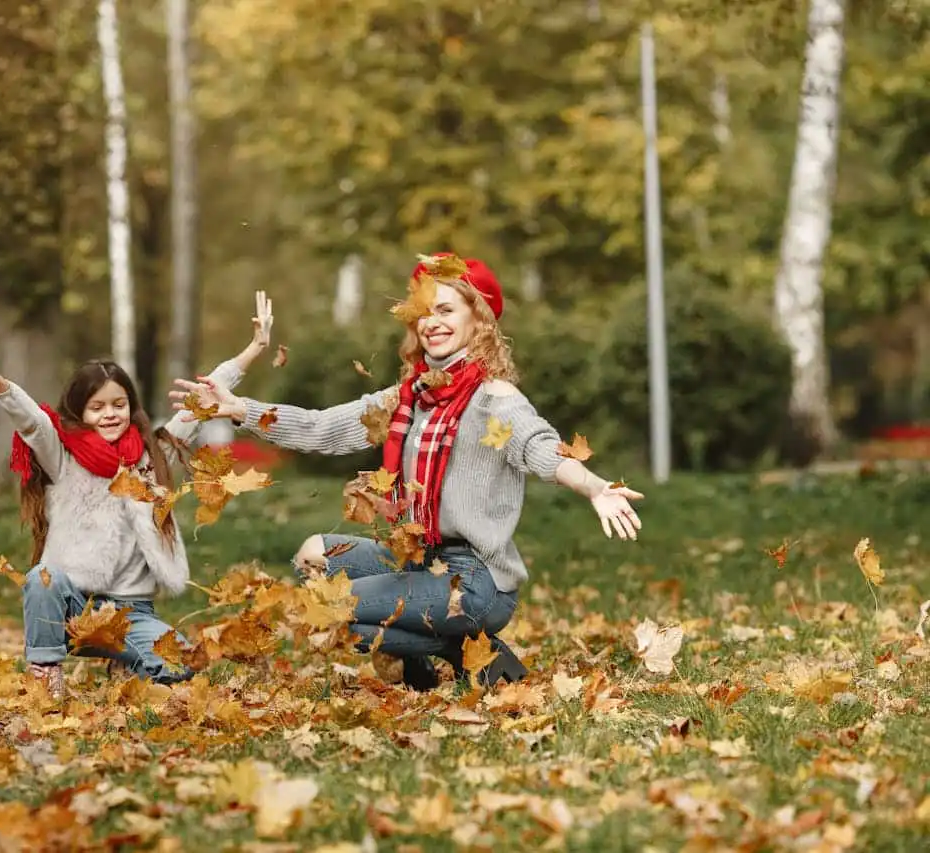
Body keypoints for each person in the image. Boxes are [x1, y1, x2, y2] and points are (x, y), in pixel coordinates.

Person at [170, 255, 643, 690]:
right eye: (423, 312)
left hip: (475, 582)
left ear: (478, 319)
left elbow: (541, 449)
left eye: (446, 310)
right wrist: (237, 409)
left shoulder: (494, 399)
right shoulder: (409, 397)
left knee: (333, 610)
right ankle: (448, 654)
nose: (431, 323)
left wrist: (595, 487)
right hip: (420, 558)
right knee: (314, 557)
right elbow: (324, 427)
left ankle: (469, 646)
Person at [0, 293, 275, 698]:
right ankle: (45, 676)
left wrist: (253, 350)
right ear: (81, 413)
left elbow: (202, 403)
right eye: (97, 407)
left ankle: (126, 661)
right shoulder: (62, 457)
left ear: (130, 406)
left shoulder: (154, 455)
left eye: (118, 404)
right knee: (41, 578)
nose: (110, 414)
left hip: (131, 613)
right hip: (74, 610)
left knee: (181, 667)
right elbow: (31, 421)